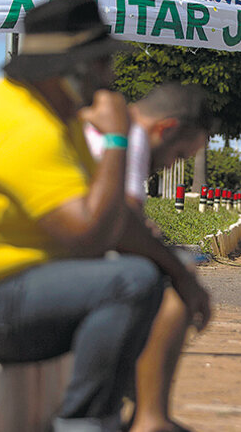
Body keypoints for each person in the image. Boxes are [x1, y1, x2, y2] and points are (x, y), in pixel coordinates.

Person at [0, 0, 211, 432]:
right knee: (129, 282)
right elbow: (90, 235)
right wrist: (119, 140)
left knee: (146, 276)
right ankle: (84, 423)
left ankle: (116, 418)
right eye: (101, 64)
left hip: (0, 294)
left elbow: (116, 219)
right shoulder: (22, 125)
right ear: (71, 69)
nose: (110, 77)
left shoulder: (55, 119)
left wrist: (179, 275)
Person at [84, 83, 213, 432]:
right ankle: (150, 419)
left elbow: (124, 218)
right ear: (166, 129)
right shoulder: (133, 134)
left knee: (158, 266)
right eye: (179, 155)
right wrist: (184, 277)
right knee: (172, 285)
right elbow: (122, 225)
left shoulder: (109, 126)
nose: (172, 164)